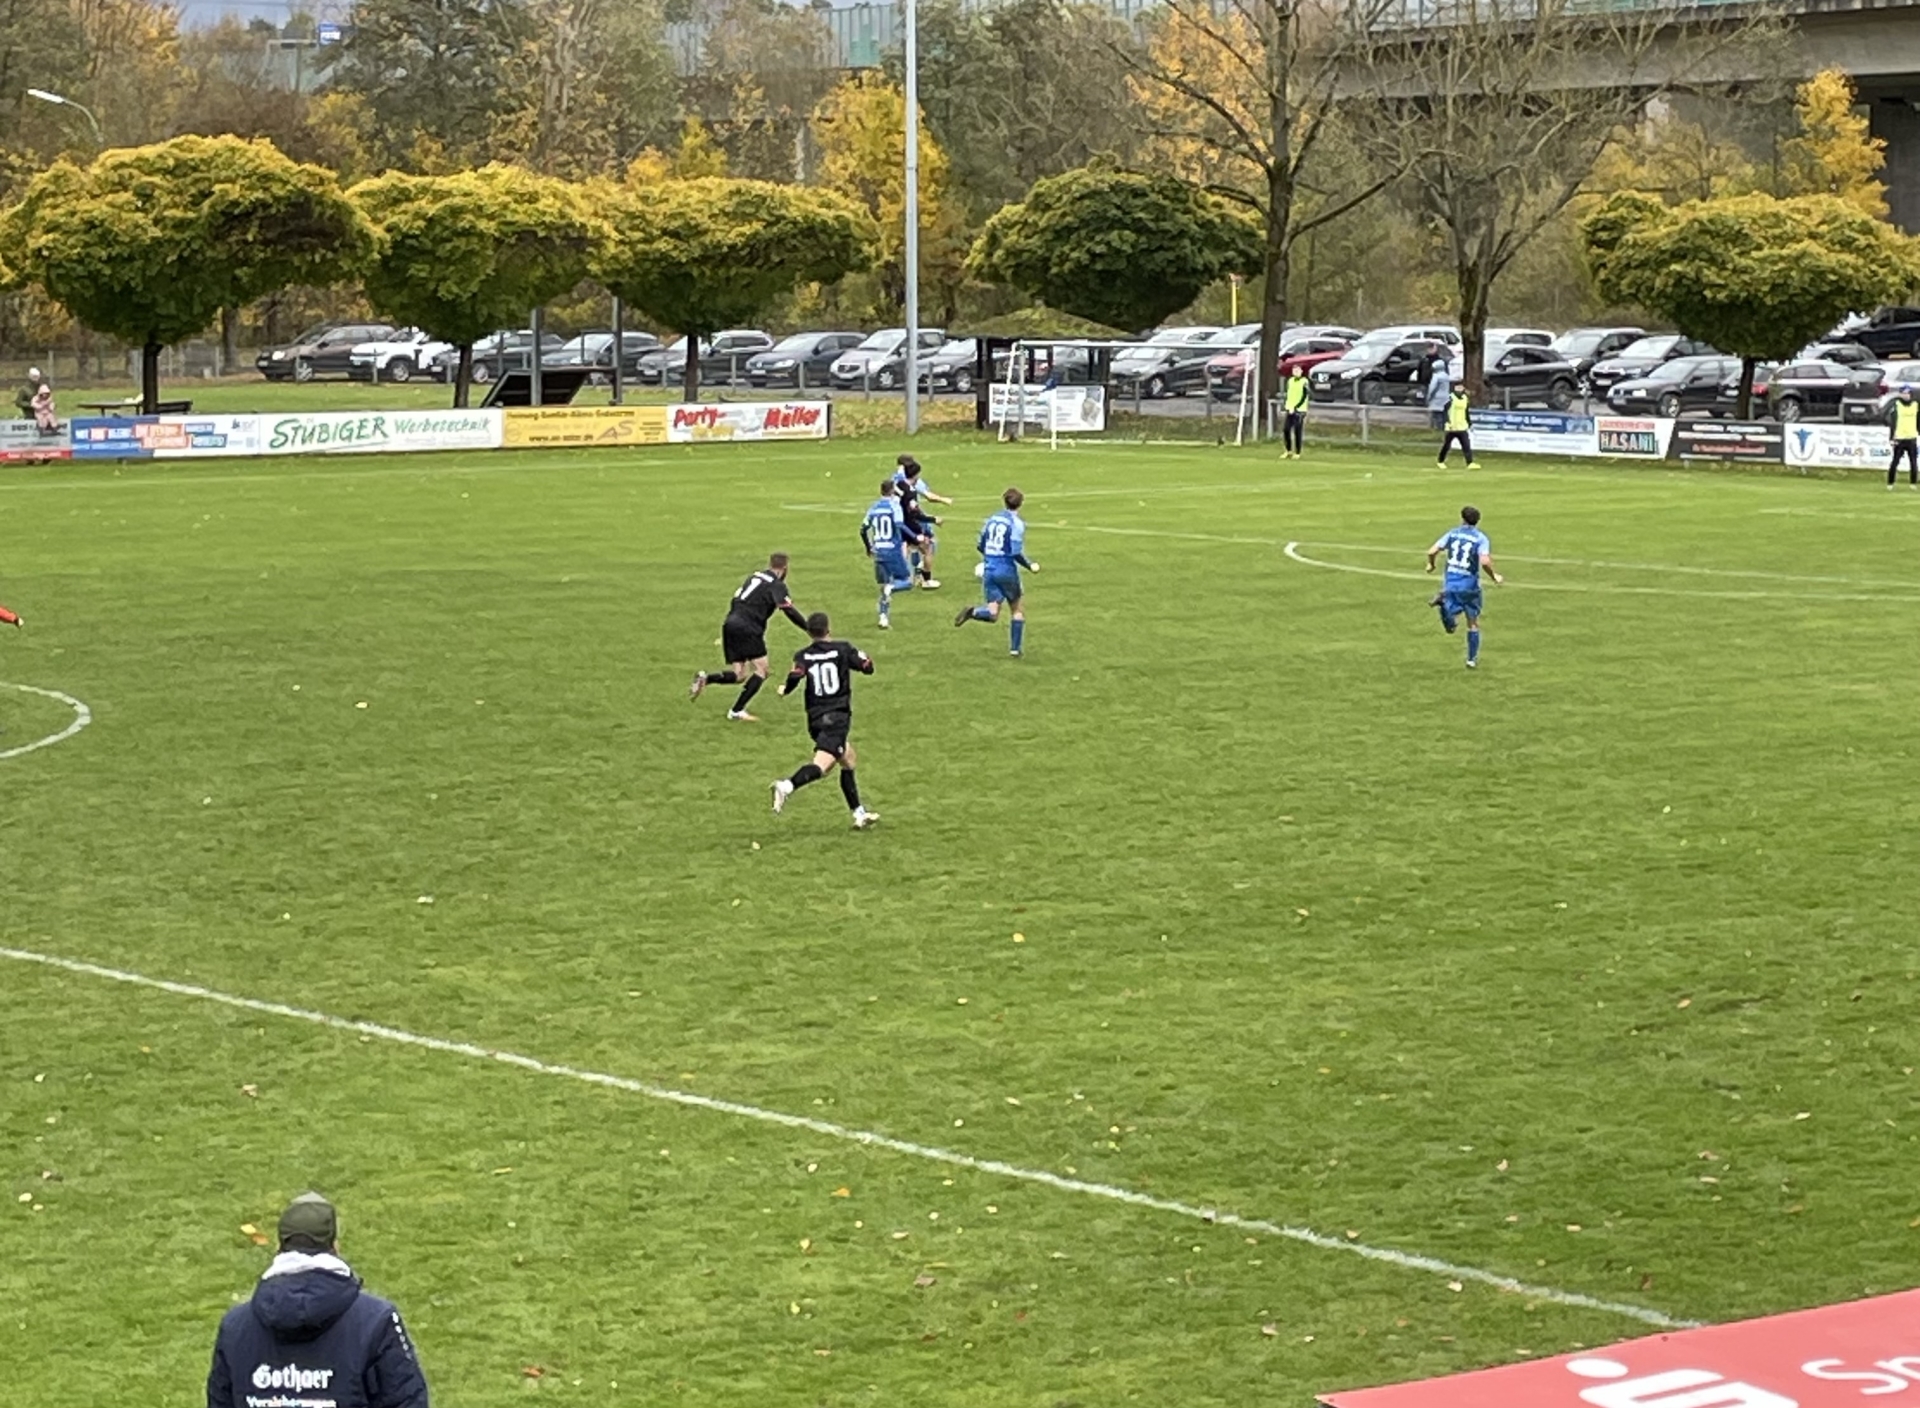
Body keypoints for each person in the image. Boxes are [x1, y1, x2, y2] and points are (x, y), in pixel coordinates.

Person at [206, 1192, 429, 1408]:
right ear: (335, 1246)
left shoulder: (235, 1326)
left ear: (279, 1247)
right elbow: (407, 1400)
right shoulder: (376, 1321)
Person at [770, 611, 878, 828]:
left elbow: (796, 675)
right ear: (828, 629)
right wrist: (863, 657)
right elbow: (867, 667)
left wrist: (786, 690)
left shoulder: (803, 655)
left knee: (848, 759)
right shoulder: (843, 649)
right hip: (836, 717)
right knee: (822, 766)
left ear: (809, 633)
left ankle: (859, 814)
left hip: (815, 718)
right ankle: (787, 786)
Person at [689, 553, 810, 721]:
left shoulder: (755, 576)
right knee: (762, 670)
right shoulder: (776, 585)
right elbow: (787, 609)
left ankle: (706, 678)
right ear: (784, 568)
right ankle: (736, 711)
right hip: (748, 627)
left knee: (739, 675)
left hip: (730, 624)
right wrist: (808, 628)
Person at [953, 487, 1038, 657]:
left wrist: (990, 557)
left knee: (993, 613)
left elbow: (980, 545)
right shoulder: (1016, 524)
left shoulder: (992, 519)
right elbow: (1014, 552)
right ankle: (1015, 649)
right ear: (1020, 504)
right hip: (1005, 569)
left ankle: (973, 612)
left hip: (989, 568)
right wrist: (1029, 565)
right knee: (1017, 609)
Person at [1425, 504, 1503, 670]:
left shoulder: (1453, 533)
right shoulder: (1480, 538)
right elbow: (1484, 561)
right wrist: (1494, 576)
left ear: (1462, 519)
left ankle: (1443, 605)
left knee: (1451, 626)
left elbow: (1432, 551)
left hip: (1451, 584)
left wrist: (1431, 565)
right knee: (1472, 623)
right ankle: (1471, 659)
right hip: (1470, 587)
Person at [861, 479, 917, 629]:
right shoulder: (894, 506)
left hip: (878, 551)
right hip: (892, 551)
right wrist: (915, 536)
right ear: (892, 490)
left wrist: (868, 547)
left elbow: (863, 529)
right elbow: (899, 524)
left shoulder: (873, 508)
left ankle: (883, 617)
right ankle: (890, 590)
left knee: (884, 585)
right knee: (907, 582)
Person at [894, 454, 952, 585]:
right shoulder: (910, 492)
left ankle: (901, 579)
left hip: (899, 523)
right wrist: (933, 519)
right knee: (928, 547)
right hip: (910, 524)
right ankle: (926, 580)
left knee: (905, 549)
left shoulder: (898, 483)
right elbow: (915, 514)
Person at [1437, 385, 1476, 468]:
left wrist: (1469, 423)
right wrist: (1447, 421)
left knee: (1466, 445)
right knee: (1447, 445)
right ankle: (1440, 461)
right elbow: (1445, 411)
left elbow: (1466, 412)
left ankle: (1470, 463)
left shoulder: (1465, 399)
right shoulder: (1451, 398)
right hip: (1452, 427)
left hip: (1462, 426)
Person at [1889, 387, 1918, 489]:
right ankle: (1890, 483)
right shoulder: (1896, 405)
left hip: (1912, 437)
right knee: (1895, 461)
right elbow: (1892, 422)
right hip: (1899, 437)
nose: (1905, 395)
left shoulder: (1915, 405)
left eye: (1907, 393)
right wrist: (1891, 437)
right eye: (1903, 393)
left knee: (1913, 462)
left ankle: (1913, 483)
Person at [1280, 366, 1309, 459]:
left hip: (1300, 409)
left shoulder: (1304, 381)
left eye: (1298, 371)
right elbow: (1289, 395)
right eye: (1294, 371)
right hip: (1290, 408)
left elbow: (1304, 396)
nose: (1296, 372)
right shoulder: (1290, 381)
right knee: (1286, 429)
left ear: (1301, 371)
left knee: (1297, 430)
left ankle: (1297, 452)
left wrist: (1296, 406)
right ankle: (1288, 450)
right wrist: (1287, 406)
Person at [1424, 356, 1453, 432]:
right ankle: (1443, 427)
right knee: (1444, 415)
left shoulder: (1436, 376)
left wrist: (1428, 397)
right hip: (1446, 398)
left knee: (1435, 415)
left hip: (1436, 398)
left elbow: (1432, 387)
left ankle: (1436, 428)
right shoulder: (1446, 376)